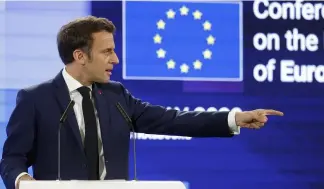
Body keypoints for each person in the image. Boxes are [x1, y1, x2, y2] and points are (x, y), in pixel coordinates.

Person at [0, 16, 283, 189]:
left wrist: (233, 118)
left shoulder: (116, 96)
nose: (115, 60)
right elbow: (13, 157)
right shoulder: (36, 99)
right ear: (80, 56)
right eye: (107, 51)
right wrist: (23, 181)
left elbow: (172, 120)